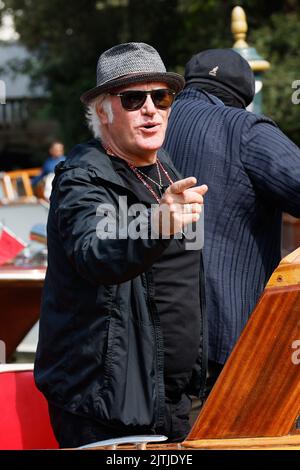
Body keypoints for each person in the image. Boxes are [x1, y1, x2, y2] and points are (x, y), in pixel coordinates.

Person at [34, 42, 208, 448]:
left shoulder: (168, 171)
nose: (151, 109)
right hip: (108, 408)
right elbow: (96, 253)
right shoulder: (82, 178)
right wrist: (157, 223)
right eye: (133, 99)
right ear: (102, 110)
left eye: (161, 97)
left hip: (173, 400)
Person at [164, 48, 300, 396]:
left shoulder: (147, 126)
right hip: (228, 337)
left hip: (151, 342)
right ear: (242, 97)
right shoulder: (244, 128)